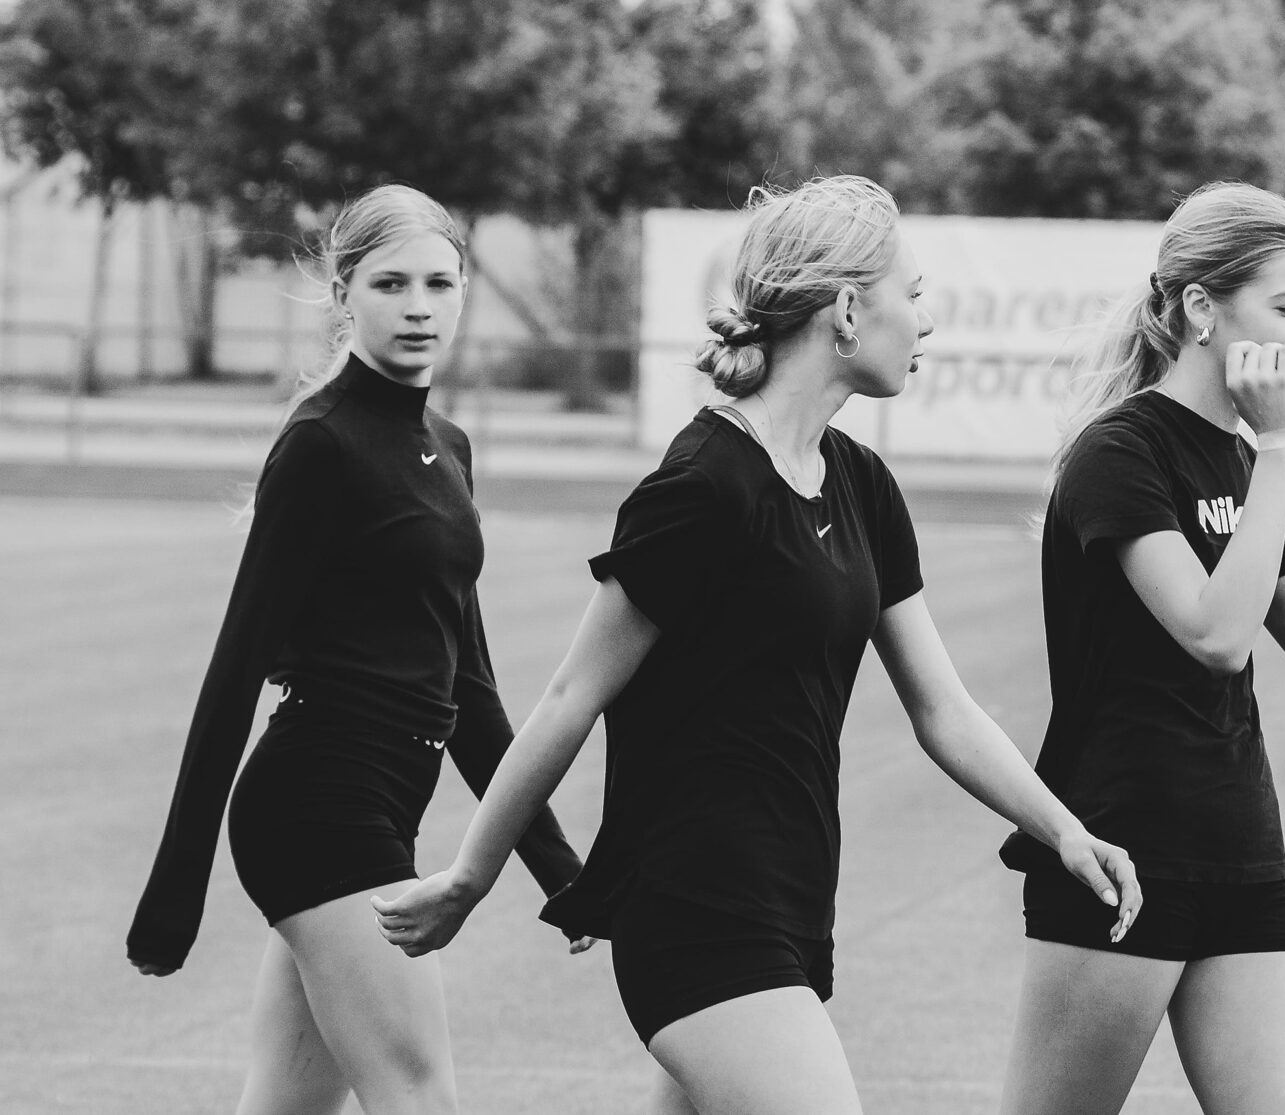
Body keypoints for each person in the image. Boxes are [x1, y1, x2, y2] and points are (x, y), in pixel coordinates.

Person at [371, 174, 1145, 1115]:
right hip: (694, 909)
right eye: (913, 294)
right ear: (848, 311)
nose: (928, 320)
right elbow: (573, 695)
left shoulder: (862, 483)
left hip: (793, 903)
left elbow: (942, 708)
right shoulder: (703, 487)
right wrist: (471, 876)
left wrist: (1063, 828)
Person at [126, 184, 583, 1115]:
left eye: (439, 283)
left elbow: (469, 688)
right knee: (419, 1096)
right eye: (390, 283)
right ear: (343, 294)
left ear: (463, 292)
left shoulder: (450, 447)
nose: (418, 306)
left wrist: (559, 867)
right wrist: (175, 891)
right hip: (318, 809)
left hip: (376, 806)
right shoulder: (320, 443)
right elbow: (235, 667)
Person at [995, 181, 1285, 1115]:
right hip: (1122, 856)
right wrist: (1284, 446)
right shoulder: (1122, 452)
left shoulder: (1239, 454)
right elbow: (1215, 634)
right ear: (1203, 308)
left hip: (1240, 856)